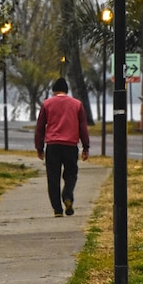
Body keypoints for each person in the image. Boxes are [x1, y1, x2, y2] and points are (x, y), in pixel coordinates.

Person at [34, 77, 90, 217]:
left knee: (53, 177)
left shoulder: (47, 104)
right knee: (71, 173)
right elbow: (83, 127)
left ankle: (57, 210)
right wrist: (86, 147)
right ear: (66, 90)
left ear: (54, 91)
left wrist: (39, 147)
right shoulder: (77, 104)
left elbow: (40, 127)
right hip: (70, 145)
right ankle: (67, 194)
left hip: (53, 146)